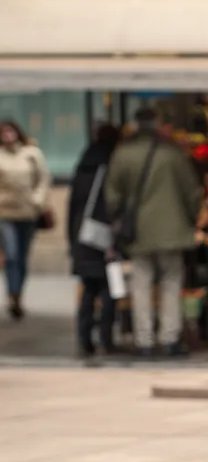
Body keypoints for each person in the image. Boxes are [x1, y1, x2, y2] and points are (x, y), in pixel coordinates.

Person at [106, 107, 203, 358]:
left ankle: (144, 340)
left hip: (139, 230)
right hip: (173, 229)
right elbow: (192, 191)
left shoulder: (123, 154)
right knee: (171, 282)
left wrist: (117, 220)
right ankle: (169, 338)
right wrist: (192, 219)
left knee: (141, 283)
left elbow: (112, 196)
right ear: (157, 124)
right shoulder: (172, 153)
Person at [67, 123, 121, 359]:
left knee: (88, 288)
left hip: (82, 234)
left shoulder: (83, 165)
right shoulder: (111, 166)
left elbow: (72, 206)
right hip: (104, 234)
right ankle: (106, 336)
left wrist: (71, 239)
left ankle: (84, 336)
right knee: (108, 287)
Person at [0, 119, 51, 319]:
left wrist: (37, 201)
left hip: (28, 212)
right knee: (11, 254)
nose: (8, 135)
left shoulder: (31, 153)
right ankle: (13, 294)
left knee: (22, 255)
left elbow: (43, 178)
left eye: (10, 131)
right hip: (4, 213)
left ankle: (19, 293)